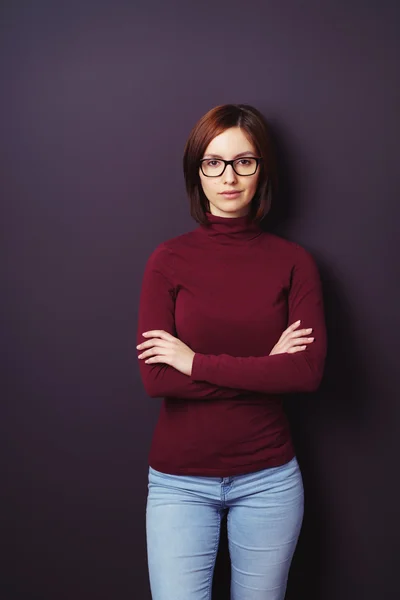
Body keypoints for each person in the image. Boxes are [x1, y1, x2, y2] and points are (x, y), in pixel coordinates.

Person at [136, 103, 327, 600]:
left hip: (269, 481)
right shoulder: (168, 260)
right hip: (179, 484)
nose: (229, 177)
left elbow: (305, 373)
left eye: (244, 161)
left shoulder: (294, 263)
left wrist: (193, 361)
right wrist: (267, 367)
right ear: (196, 171)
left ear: (262, 169)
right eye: (213, 162)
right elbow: (157, 380)